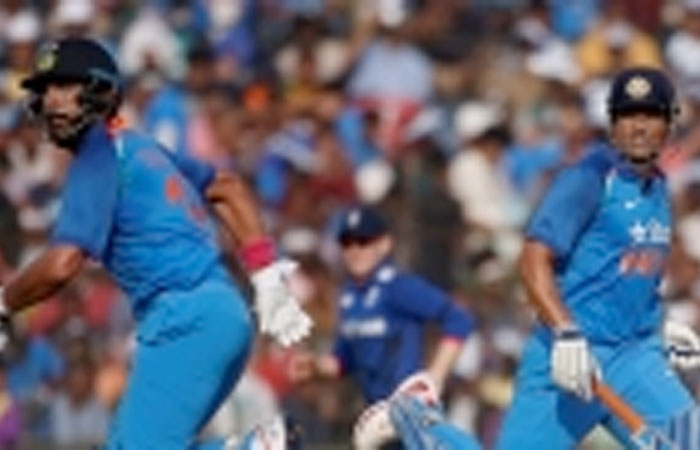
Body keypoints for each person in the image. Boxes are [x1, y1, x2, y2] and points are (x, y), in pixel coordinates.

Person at [2, 37, 312, 450]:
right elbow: (227, 187)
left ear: (101, 90)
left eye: (65, 85)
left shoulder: (96, 156)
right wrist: (266, 274)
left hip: (182, 320)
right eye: (47, 89)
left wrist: (4, 303)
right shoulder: (140, 147)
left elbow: (63, 263)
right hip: (223, 312)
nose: (53, 99)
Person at [496, 67, 700, 449]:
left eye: (651, 114)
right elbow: (533, 259)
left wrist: (662, 325)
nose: (639, 127)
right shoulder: (588, 177)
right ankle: (416, 416)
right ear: (612, 123)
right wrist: (566, 333)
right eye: (627, 115)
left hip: (635, 358)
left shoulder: (658, 185)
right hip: (569, 361)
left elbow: (635, 271)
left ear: (670, 124)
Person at [290, 205, 479, 449]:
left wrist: (435, 377)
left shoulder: (398, 287)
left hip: (409, 415)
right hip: (375, 416)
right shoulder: (349, 296)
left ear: (384, 244)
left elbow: (458, 319)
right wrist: (316, 367)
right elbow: (345, 357)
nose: (355, 250)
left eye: (364, 241)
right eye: (347, 243)